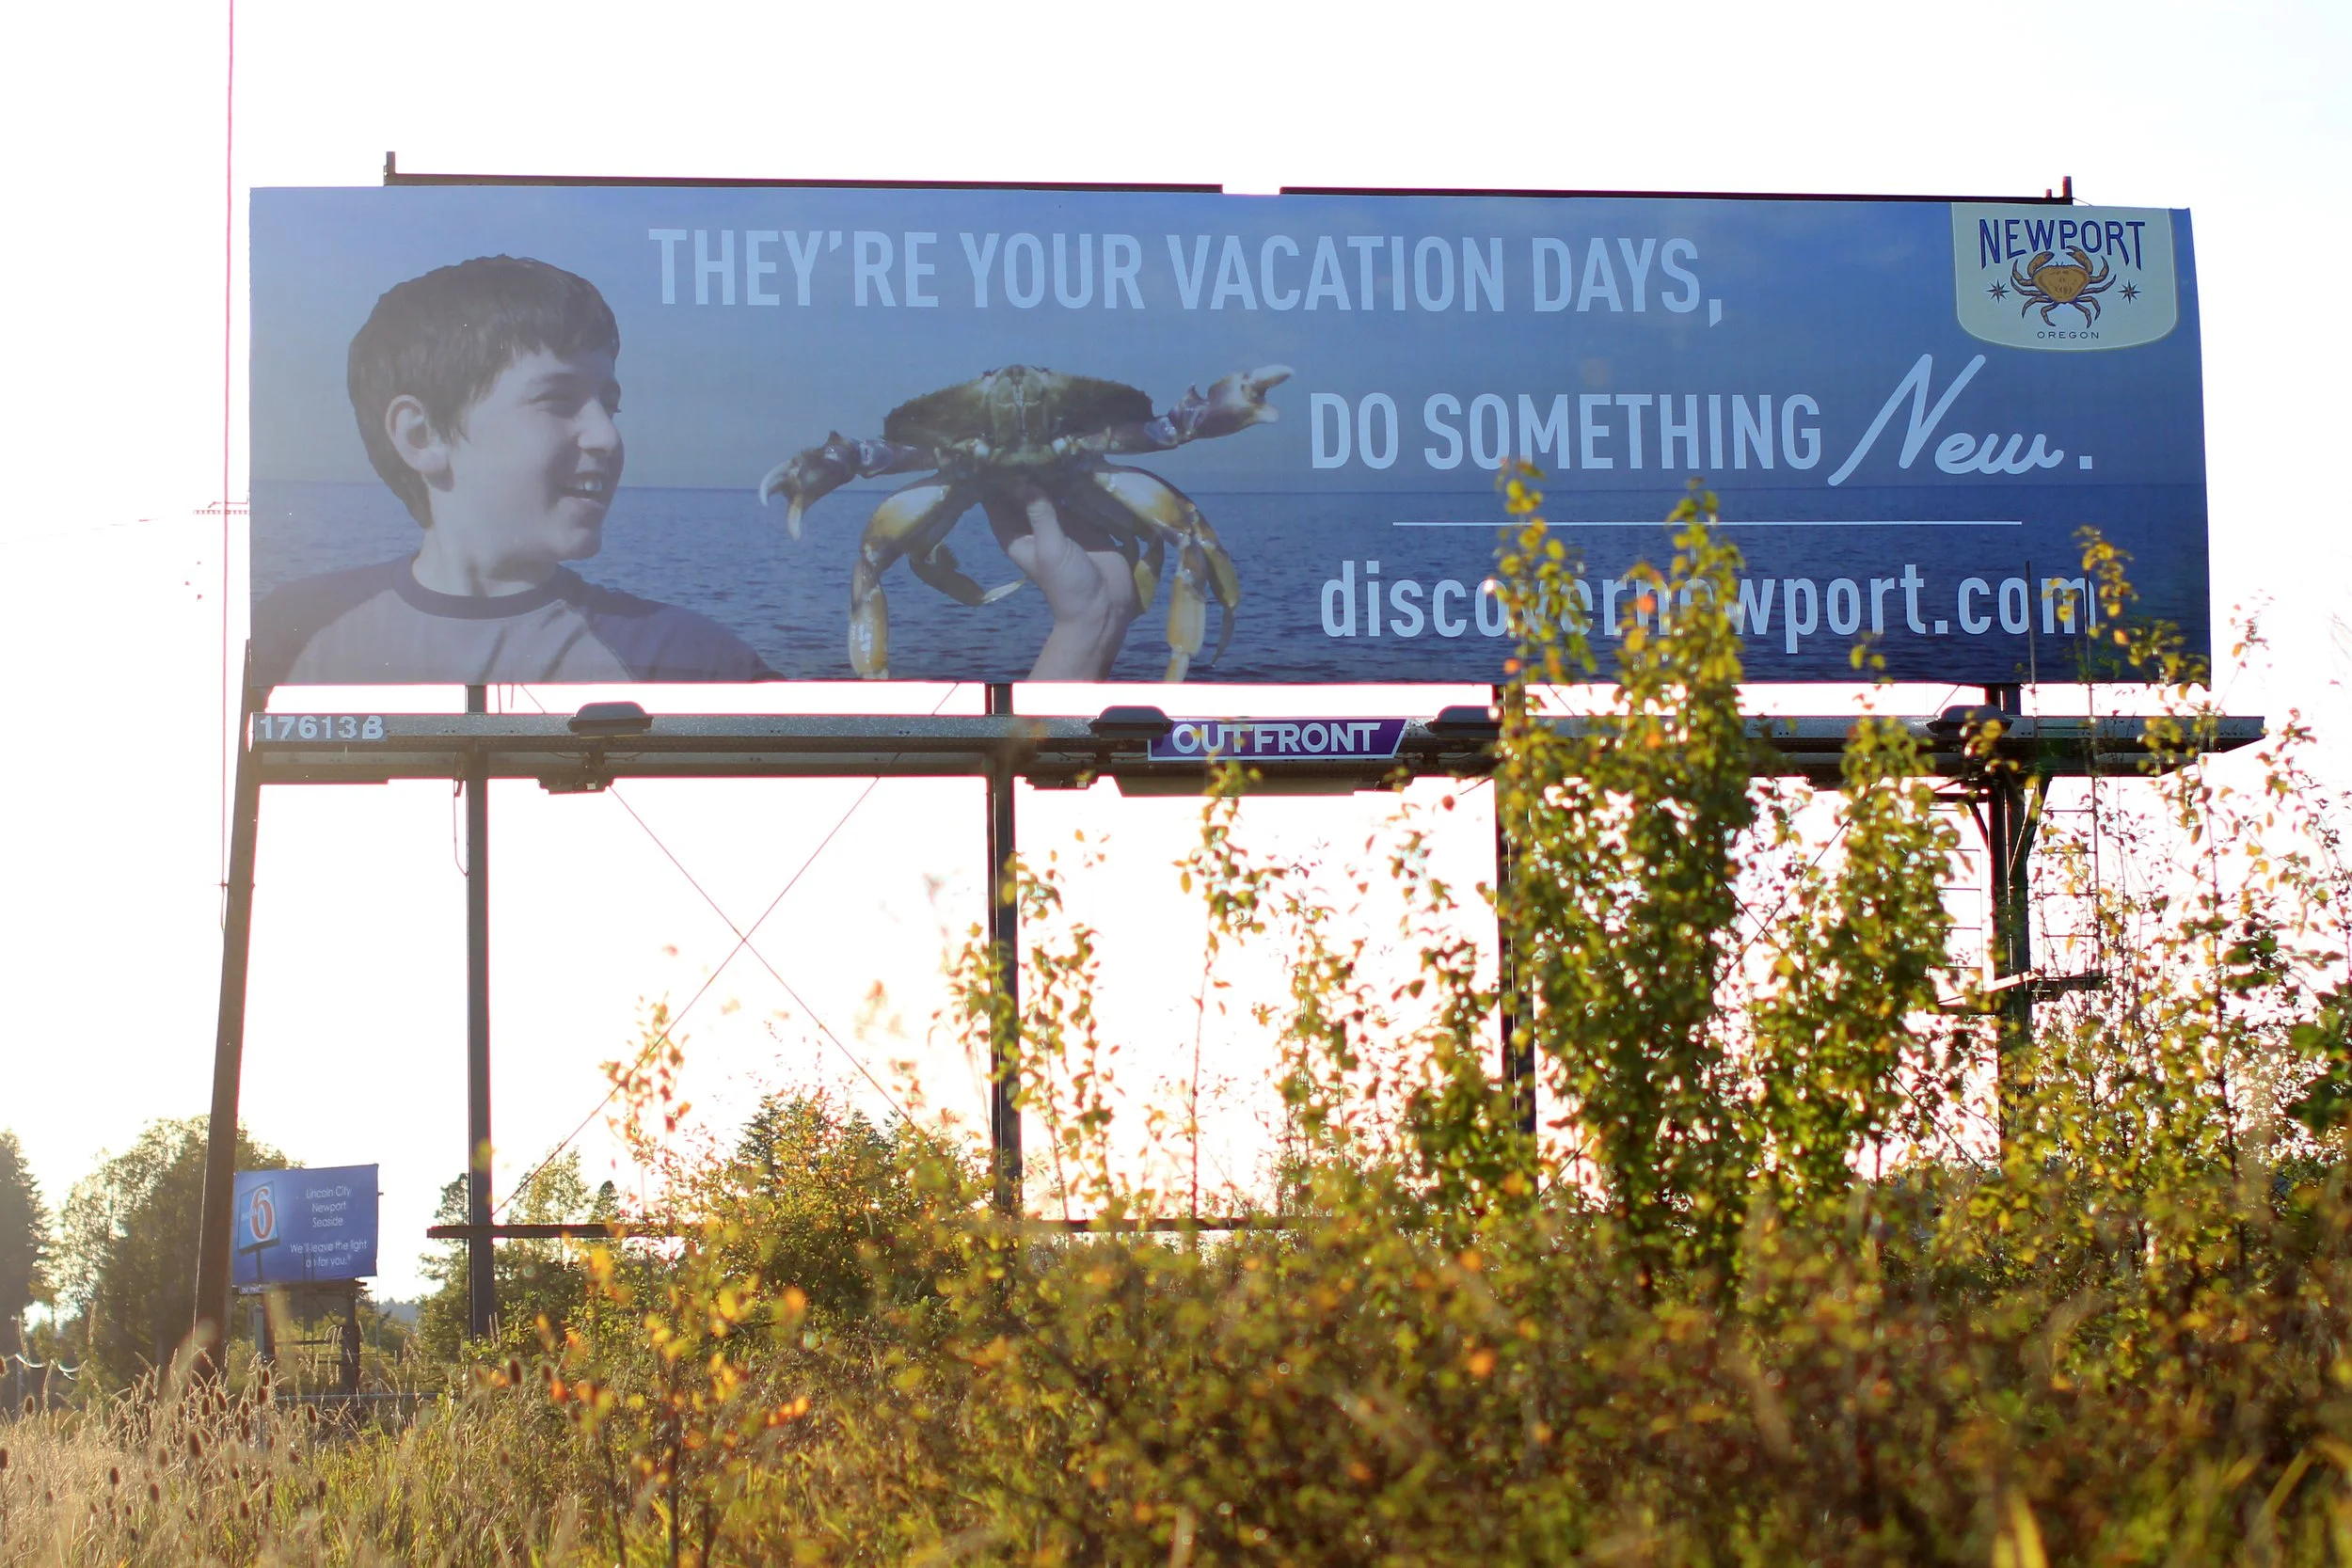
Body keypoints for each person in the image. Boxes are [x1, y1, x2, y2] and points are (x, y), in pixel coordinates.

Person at [253, 256, 775, 686]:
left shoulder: (690, 660)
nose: (607, 437)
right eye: (557, 400)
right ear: (421, 436)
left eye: (608, 405)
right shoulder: (294, 633)